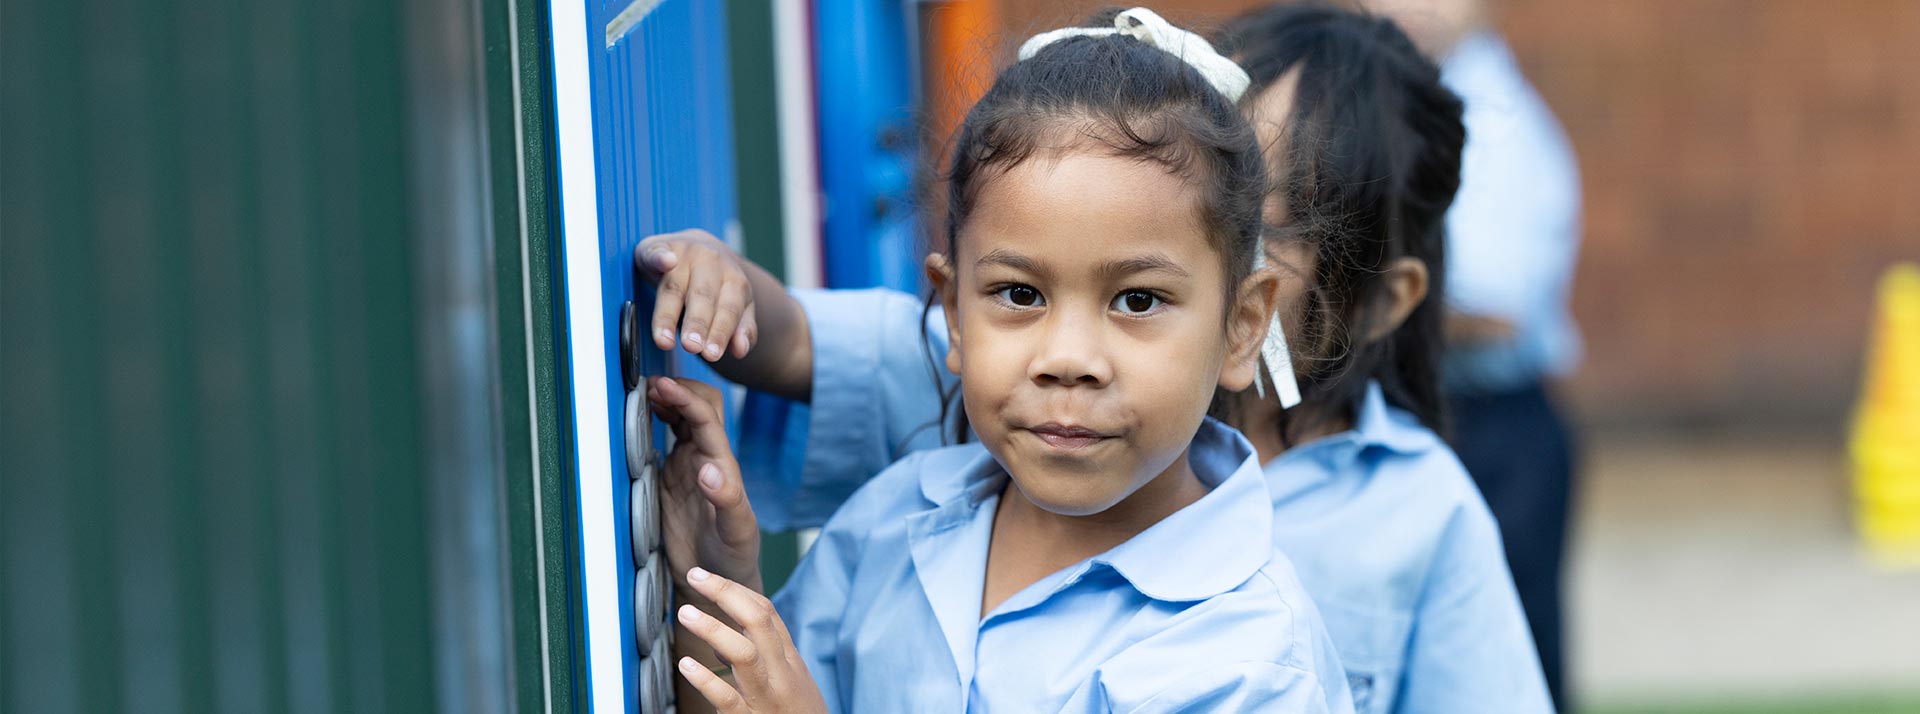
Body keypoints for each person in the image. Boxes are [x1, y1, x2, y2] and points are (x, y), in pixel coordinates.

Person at [641, 4, 1552, 711]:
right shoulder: (899, 523)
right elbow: (797, 337)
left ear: (1242, 316)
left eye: (1141, 298)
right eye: (1019, 294)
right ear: (955, 311)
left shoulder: (1255, 644)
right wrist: (718, 589)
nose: (1068, 358)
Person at [1363, 0, 1585, 706]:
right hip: (1432, 410)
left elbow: (1494, 313)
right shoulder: (1399, 101)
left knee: (1501, 671)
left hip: (1492, 428)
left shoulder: (1492, 124)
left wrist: (1345, 308)